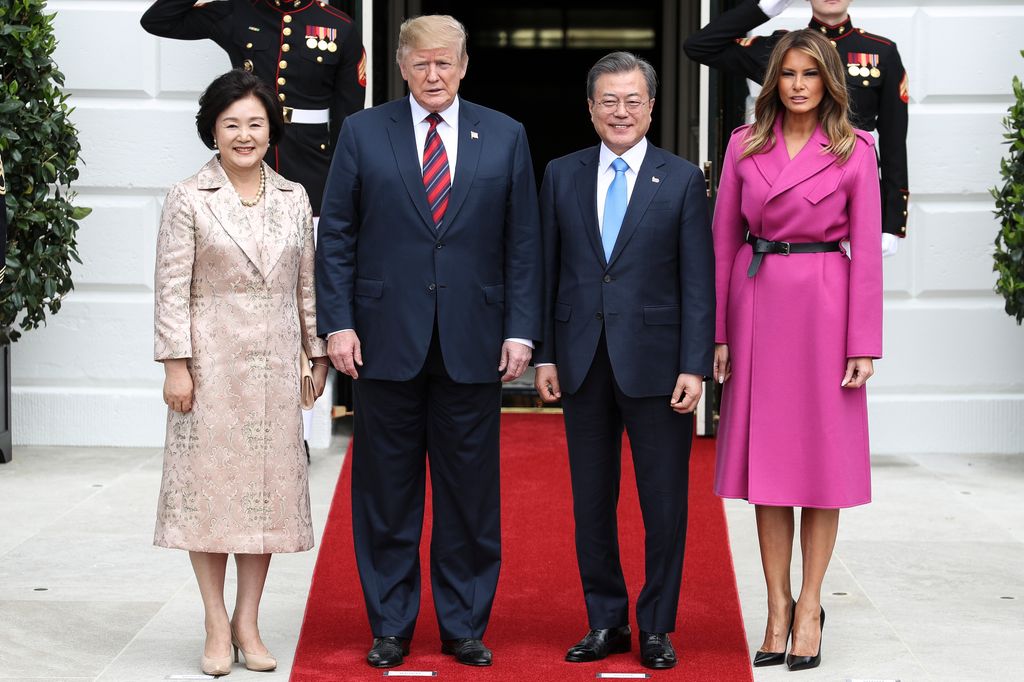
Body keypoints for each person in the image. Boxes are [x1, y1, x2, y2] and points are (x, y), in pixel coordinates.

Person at [315, 15, 542, 670]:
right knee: (386, 494)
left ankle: (463, 624)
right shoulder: (363, 132)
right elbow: (337, 236)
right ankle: (390, 624)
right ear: (402, 66)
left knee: (470, 496)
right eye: (421, 63)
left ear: (464, 66)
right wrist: (338, 322)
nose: (434, 75)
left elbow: (523, 242)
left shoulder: (505, 134)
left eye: (445, 63)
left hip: (474, 341)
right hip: (382, 340)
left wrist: (521, 329)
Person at [534, 52, 715, 670]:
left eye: (632, 100)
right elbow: (546, 271)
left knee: (663, 503)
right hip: (581, 359)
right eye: (608, 101)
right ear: (590, 108)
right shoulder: (561, 174)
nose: (621, 112)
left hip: (659, 365)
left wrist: (694, 365)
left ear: (652, 107)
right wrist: (545, 355)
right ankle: (605, 620)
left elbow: (699, 282)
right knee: (591, 501)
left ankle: (657, 626)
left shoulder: (682, 179)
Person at [711, 29, 882, 672]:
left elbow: (867, 250)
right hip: (758, 305)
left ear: (829, 80)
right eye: (788, 73)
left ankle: (810, 605)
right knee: (771, 468)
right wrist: (719, 333)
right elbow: (722, 243)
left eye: (811, 73)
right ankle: (776, 605)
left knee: (822, 465)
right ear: (773, 82)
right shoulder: (743, 145)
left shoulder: (855, 149)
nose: (799, 85)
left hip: (826, 309)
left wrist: (864, 341)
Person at [152, 69, 328, 677]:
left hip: (275, 370)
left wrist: (316, 355)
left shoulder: (294, 197)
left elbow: (307, 285)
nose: (245, 135)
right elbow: (170, 289)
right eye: (232, 124)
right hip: (210, 370)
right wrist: (176, 367)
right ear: (213, 130)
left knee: (264, 501)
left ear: (271, 129)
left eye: (256, 123)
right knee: (209, 497)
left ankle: (247, 622)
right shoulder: (187, 197)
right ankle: (212, 621)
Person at [684, 0, 909, 253]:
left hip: (847, 184)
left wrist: (893, 222)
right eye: (789, 74)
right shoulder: (782, 48)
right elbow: (700, 46)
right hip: (790, 182)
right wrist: (765, 8)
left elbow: (893, 142)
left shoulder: (880, 53)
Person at [140, 0, 366, 215]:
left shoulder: (339, 26)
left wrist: (343, 182)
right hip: (246, 162)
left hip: (311, 164)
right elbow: (158, 20)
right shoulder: (239, 11)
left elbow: (349, 117)